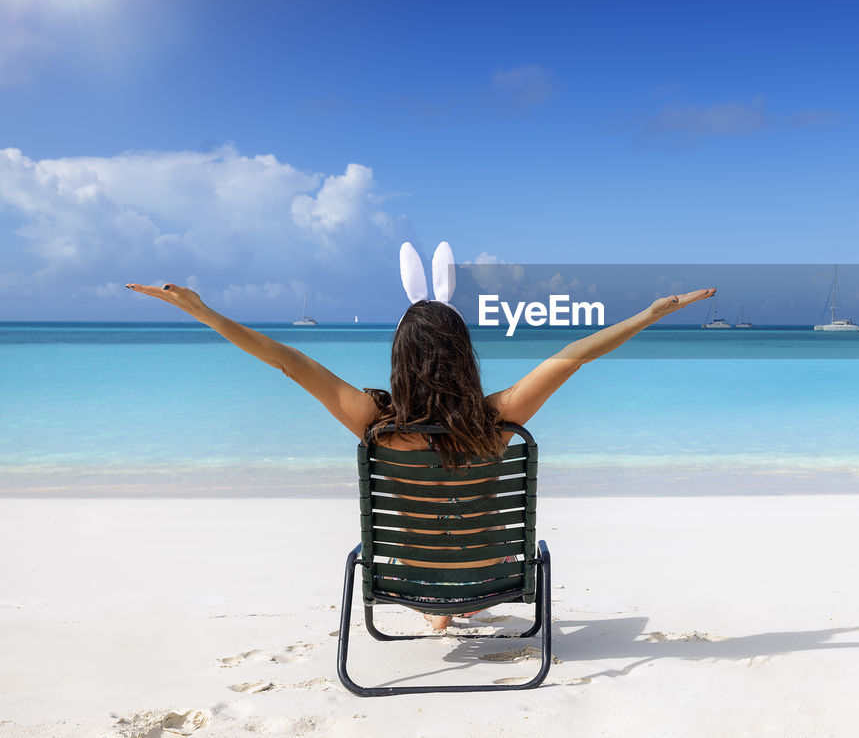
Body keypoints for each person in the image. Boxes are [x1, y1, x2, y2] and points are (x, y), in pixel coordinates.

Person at [126, 247, 713, 629]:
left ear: (400, 359)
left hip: (405, 583)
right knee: (500, 536)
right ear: (464, 355)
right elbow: (573, 358)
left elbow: (287, 361)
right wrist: (649, 315)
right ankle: (458, 601)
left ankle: (437, 614)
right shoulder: (497, 418)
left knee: (419, 533)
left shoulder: (374, 421)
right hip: (492, 579)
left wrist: (205, 313)